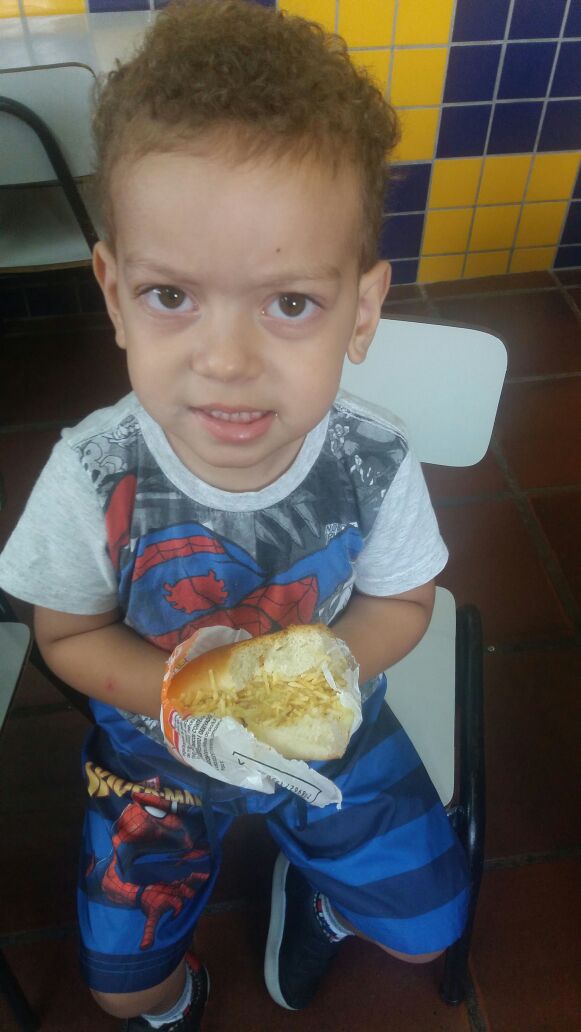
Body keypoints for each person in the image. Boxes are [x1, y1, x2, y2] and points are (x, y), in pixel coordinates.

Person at [0, 2, 470, 1029]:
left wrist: (310, 682)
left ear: (360, 311)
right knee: (122, 993)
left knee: (427, 931)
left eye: (288, 303)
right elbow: (67, 636)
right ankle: (181, 1004)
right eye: (171, 296)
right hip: (154, 752)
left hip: (329, 725)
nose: (225, 360)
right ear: (114, 294)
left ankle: (323, 897)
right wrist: (194, 709)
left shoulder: (371, 461)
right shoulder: (92, 476)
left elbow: (401, 601)